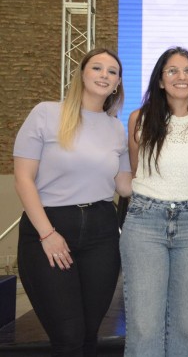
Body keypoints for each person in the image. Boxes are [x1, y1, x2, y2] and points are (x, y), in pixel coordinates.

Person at [13, 48, 131, 356]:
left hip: (102, 232)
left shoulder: (118, 128)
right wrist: (47, 234)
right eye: (97, 68)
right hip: (49, 228)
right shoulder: (46, 113)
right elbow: (23, 179)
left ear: (118, 83)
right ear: (81, 74)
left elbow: (125, 185)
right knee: (68, 337)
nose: (104, 75)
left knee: (89, 334)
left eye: (112, 71)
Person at [120, 47, 188, 357]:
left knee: (185, 324)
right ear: (161, 81)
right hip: (144, 222)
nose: (182, 76)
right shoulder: (139, 119)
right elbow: (136, 170)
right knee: (144, 324)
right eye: (173, 70)